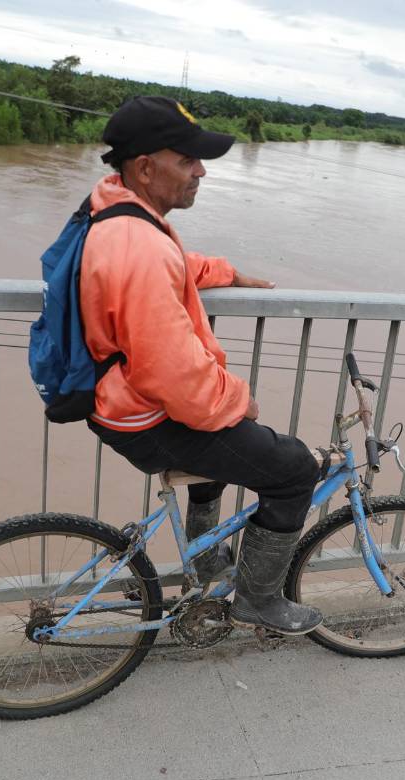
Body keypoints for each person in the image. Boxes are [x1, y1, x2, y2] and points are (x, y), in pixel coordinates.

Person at [80, 96, 323, 635]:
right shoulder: (138, 245)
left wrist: (226, 272)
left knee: (229, 440)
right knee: (294, 470)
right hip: (144, 414)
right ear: (146, 167)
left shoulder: (120, 216)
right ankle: (258, 601)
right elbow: (174, 377)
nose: (201, 171)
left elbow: (174, 268)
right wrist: (240, 401)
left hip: (121, 400)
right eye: (188, 160)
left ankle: (206, 559)